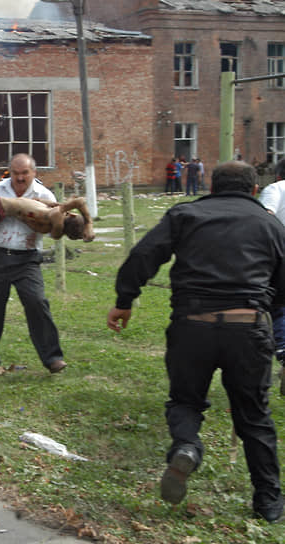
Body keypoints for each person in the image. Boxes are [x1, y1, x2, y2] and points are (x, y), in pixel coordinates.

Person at [107, 161, 285, 522]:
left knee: (185, 401)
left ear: (211, 186)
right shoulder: (272, 225)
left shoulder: (186, 214)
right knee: (255, 418)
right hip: (247, 328)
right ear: (253, 190)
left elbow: (143, 255)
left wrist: (125, 300)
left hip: (192, 326)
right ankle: (268, 503)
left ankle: (187, 445)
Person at [0, 153, 67, 375]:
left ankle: (53, 358)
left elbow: (56, 232)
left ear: (34, 173)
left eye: (25, 173)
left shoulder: (44, 194)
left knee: (37, 302)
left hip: (26, 259)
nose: (20, 178)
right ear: (10, 172)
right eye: (16, 173)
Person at [258, 158, 285, 365]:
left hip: (279, 252)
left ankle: (284, 351)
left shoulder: (275, 188)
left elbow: (266, 216)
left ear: (278, 174)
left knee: (279, 306)